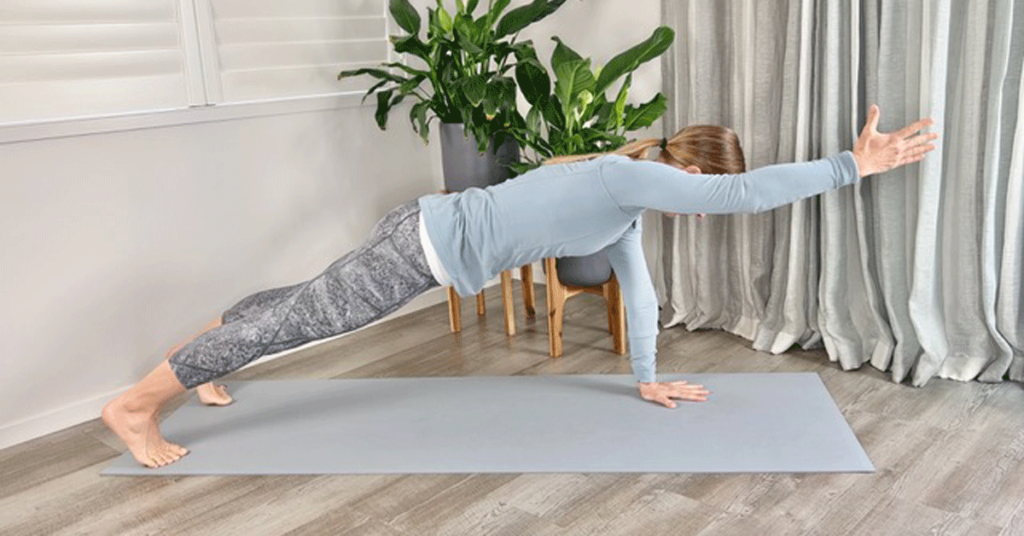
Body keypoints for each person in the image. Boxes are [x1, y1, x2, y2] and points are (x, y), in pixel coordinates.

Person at [102, 105, 937, 468]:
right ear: (686, 170)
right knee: (300, 325)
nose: (708, 210)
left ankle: (194, 356)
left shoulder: (622, 197)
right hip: (419, 251)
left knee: (297, 303)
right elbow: (739, 194)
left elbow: (637, 289)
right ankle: (138, 404)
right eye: (703, 194)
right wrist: (851, 166)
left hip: (421, 225)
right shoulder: (628, 175)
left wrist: (646, 376)